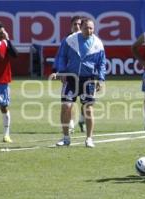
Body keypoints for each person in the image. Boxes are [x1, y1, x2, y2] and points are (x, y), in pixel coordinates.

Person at [54, 18, 106, 147]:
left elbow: (102, 63)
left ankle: (89, 139)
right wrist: (62, 71)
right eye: (86, 28)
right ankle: (66, 138)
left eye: (91, 28)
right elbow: (62, 56)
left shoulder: (98, 44)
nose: (89, 30)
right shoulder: (70, 40)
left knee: (88, 109)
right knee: (66, 106)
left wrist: (100, 78)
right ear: (80, 28)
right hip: (71, 78)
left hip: (88, 79)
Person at [51, 16, 86, 134]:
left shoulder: (88, 39)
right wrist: (60, 72)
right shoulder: (66, 40)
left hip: (85, 77)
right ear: (71, 26)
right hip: (69, 76)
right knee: (67, 103)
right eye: (75, 24)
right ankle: (70, 124)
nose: (77, 26)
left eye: (79, 24)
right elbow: (60, 56)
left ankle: (81, 120)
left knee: (86, 104)